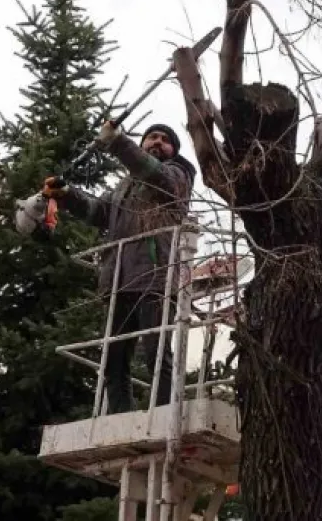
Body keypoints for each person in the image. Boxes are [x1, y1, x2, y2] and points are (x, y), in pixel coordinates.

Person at [22, 119, 196, 414]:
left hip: (155, 277)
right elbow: (97, 212)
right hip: (118, 280)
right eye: (151, 137)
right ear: (142, 144)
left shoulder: (176, 176)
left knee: (156, 354)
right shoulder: (124, 187)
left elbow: (156, 174)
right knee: (114, 360)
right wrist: (66, 194)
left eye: (164, 139)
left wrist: (118, 142)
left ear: (173, 150)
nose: (157, 141)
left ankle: (165, 414)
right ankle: (120, 417)